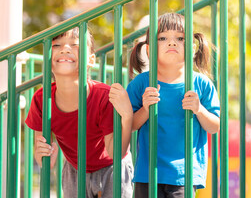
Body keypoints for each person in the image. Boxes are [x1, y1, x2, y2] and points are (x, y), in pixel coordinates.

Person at [25, 28, 134, 197]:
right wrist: (43, 154)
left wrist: (127, 117)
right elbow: (45, 160)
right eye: (56, 45)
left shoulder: (103, 97)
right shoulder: (41, 99)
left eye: (74, 45)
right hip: (74, 167)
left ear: (90, 59)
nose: (65, 49)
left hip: (112, 166)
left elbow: (115, 152)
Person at [125, 13, 220, 197]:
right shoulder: (141, 83)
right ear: (149, 49)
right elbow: (129, 124)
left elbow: (214, 126)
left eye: (180, 38)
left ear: (193, 48)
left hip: (184, 175)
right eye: (162, 38)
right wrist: (145, 109)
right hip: (148, 173)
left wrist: (199, 110)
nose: (172, 42)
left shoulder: (201, 83)